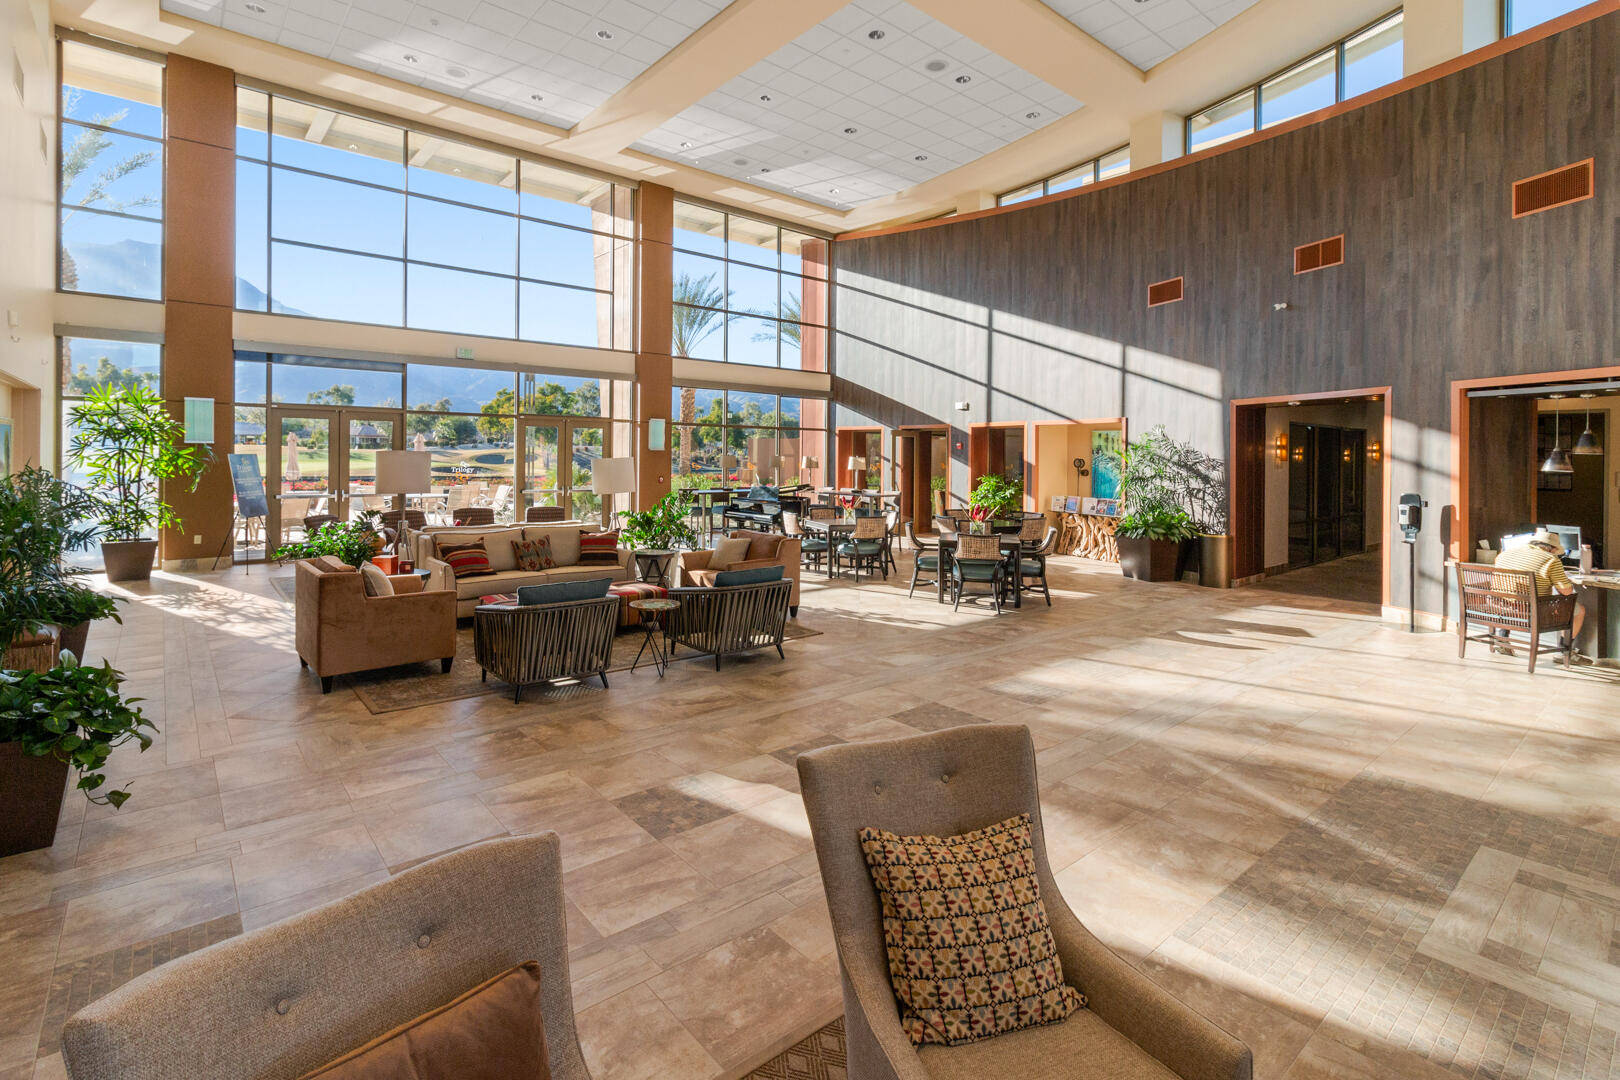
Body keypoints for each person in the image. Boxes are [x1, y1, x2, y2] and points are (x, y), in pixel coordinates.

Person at [1491, 529, 1584, 658]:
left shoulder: (1505, 554)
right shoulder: (1551, 559)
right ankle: (1564, 651)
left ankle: (1502, 639)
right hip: (1533, 610)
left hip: (1501, 605)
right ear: (1551, 549)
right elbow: (1566, 591)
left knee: (1513, 594)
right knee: (1578, 610)